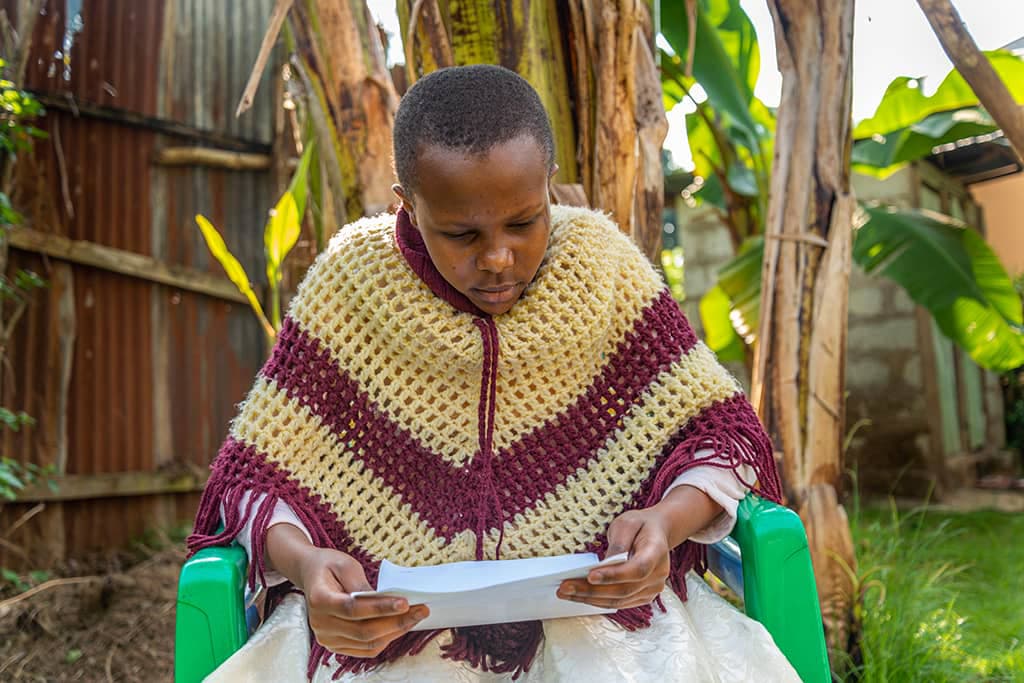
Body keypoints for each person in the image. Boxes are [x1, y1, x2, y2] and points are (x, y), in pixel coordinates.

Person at [188, 64, 800, 682]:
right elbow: (256, 479)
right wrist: (306, 563)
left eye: (523, 221)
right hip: (386, 632)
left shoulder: (601, 266)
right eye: (460, 233)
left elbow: (720, 434)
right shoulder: (350, 283)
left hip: (597, 619)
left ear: (549, 187)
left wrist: (665, 525)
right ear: (409, 202)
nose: (498, 258)